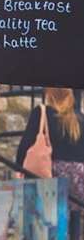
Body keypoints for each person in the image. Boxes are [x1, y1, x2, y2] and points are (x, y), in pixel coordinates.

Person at [15, 87, 84, 215]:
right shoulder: (80, 118)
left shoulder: (41, 112)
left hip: (51, 177)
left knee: (47, 219)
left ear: (48, 93)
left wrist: (19, 168)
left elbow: (24, 148)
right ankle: (73, 235)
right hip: (78, 181)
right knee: (72, 217)